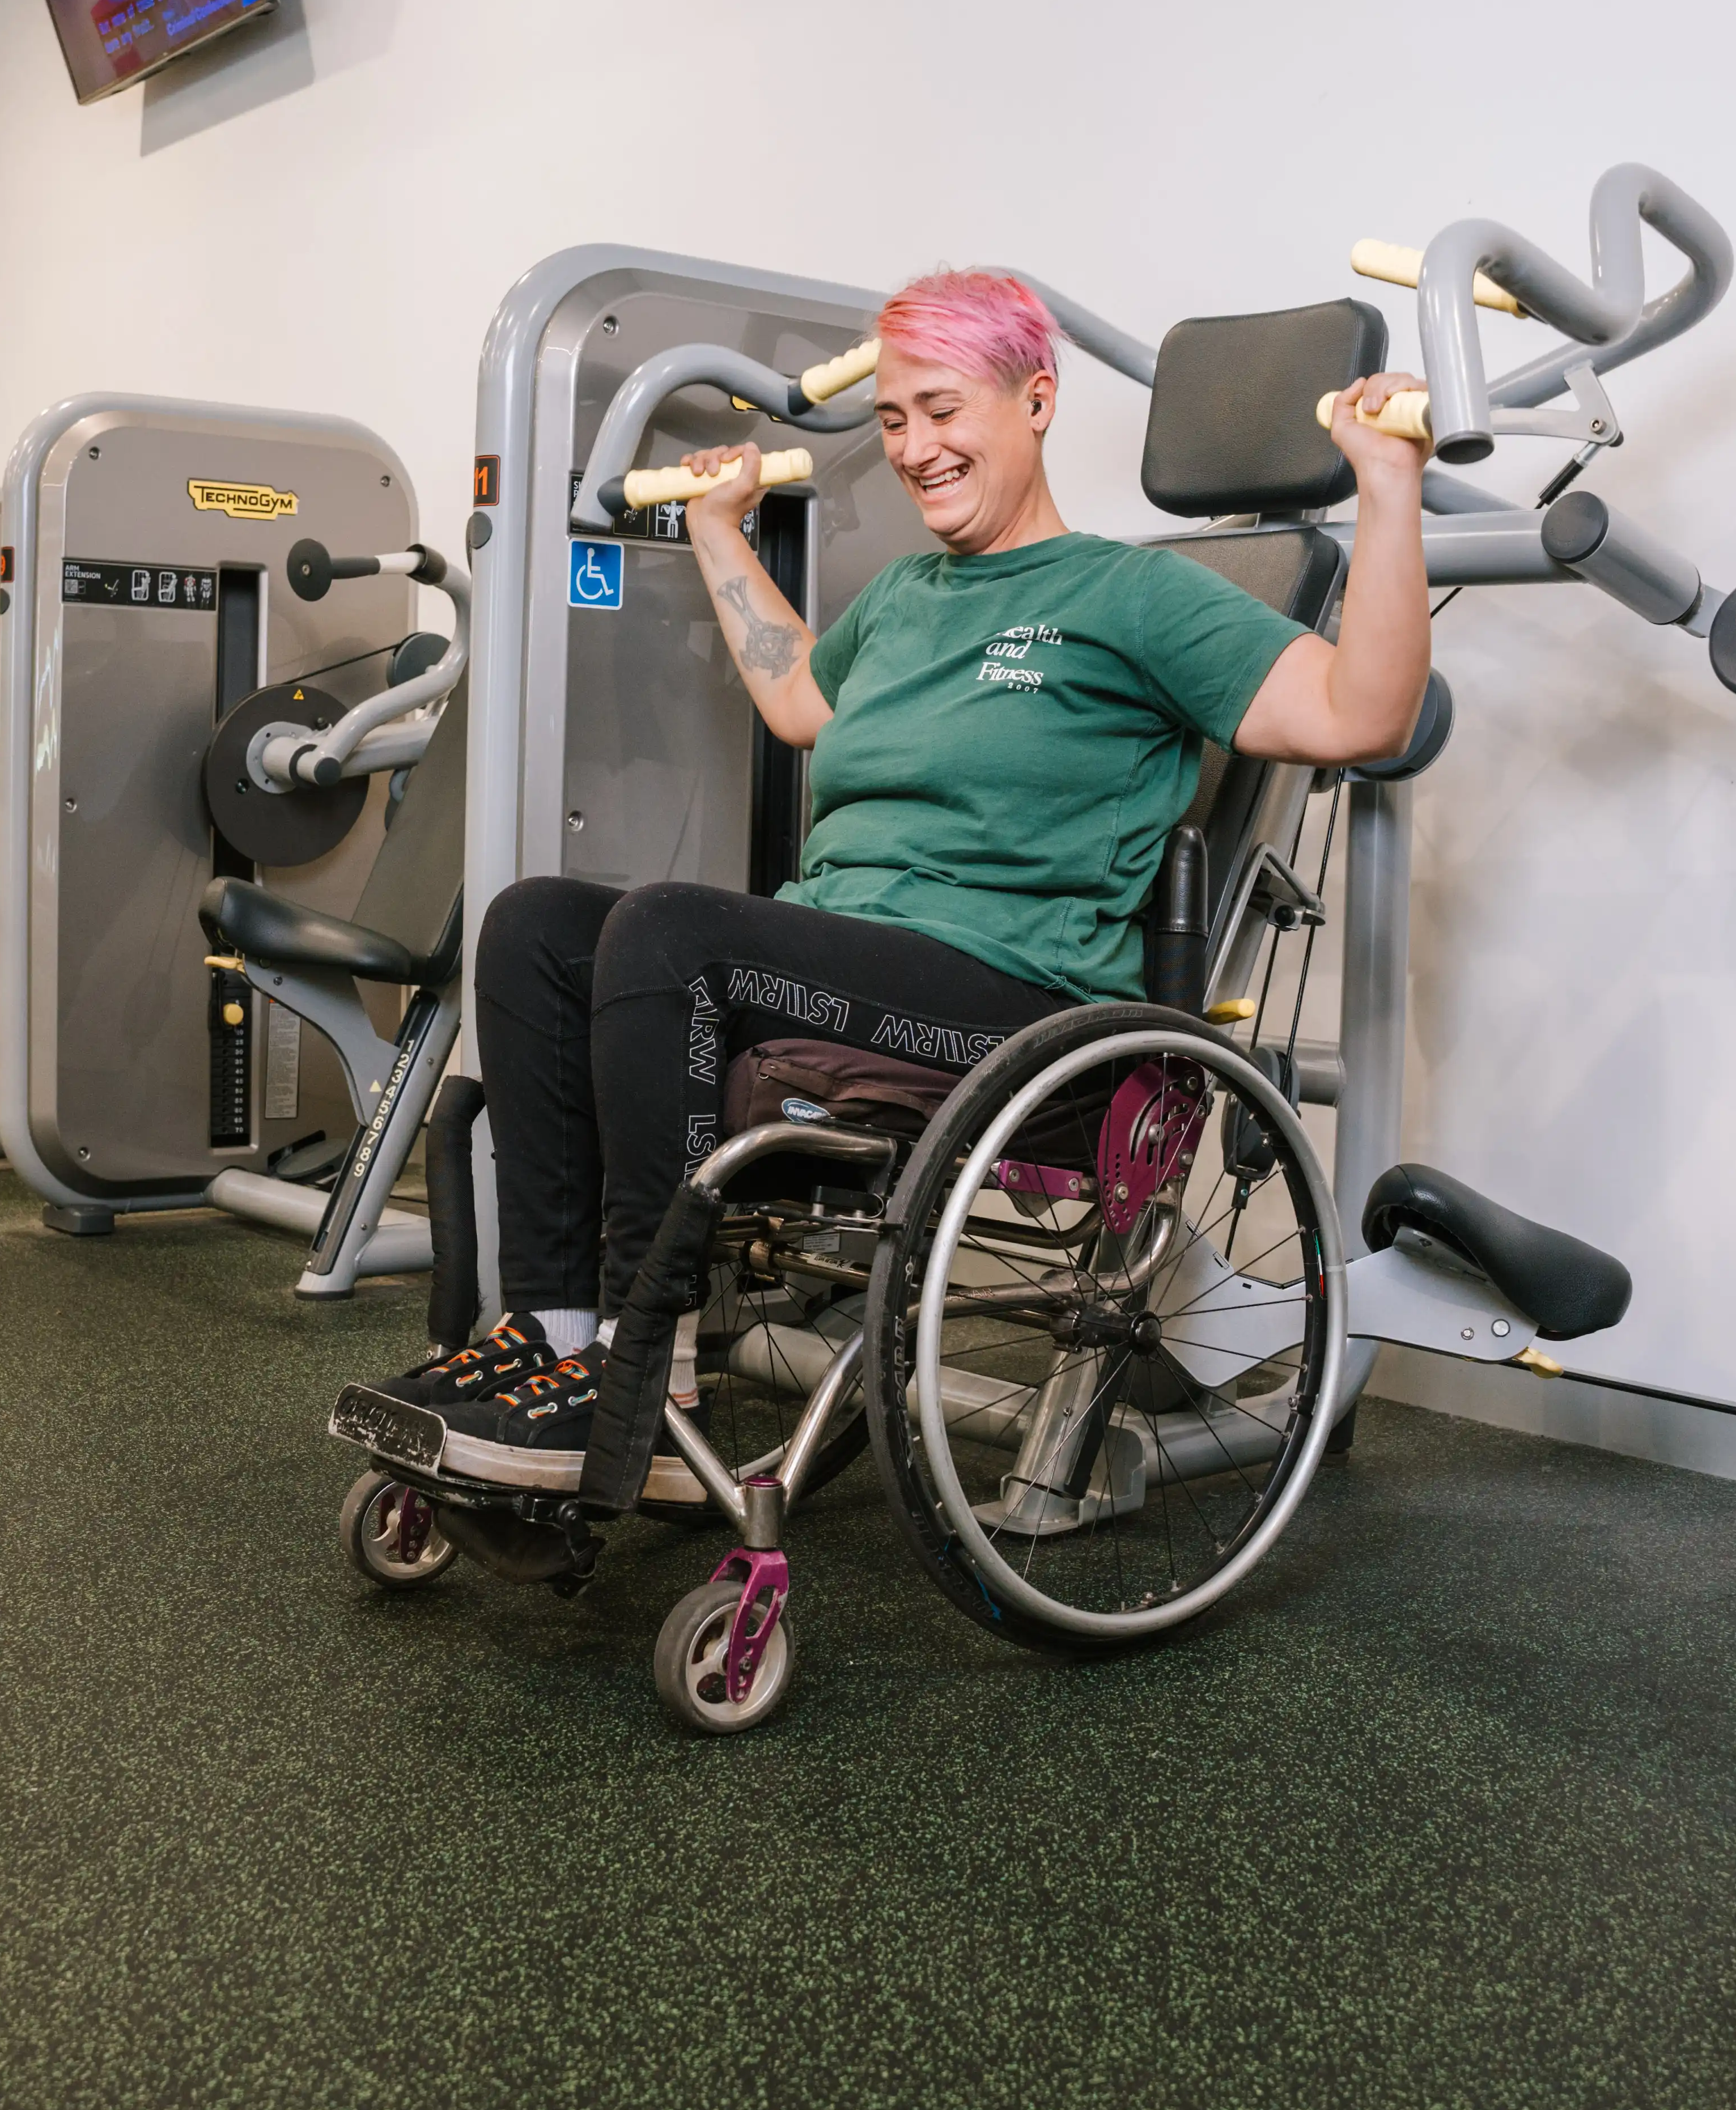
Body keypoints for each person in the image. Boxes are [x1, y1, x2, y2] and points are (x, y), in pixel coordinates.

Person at [354, 267, 1433, 1503]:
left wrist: (1386, 490)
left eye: (942, 409)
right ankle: (555, 1344)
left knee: (668, 929)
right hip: (853, 965)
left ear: (1036, 400)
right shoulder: (910, 597)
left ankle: (654, 1374)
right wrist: (718, 533)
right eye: (893, 421)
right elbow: (801, 695)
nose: (916, 448)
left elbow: (1363, 711)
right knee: (537, 922)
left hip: (1016, 1001)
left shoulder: (1133, 596)